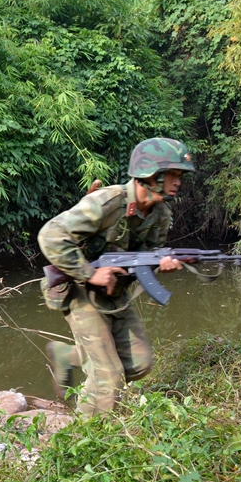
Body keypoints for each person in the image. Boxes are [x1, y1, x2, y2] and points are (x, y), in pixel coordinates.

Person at [37, 138, 195, 416]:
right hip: (78, 288)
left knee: (139, 363)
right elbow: (51, 236)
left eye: (180, 176)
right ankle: (86, 434)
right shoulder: (108, 202)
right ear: (150, 174)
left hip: (114, 292)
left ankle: (67, 355)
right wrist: (90, 273)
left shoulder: (160, 214)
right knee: (108, 377)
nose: (178, 182)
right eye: (173, 174)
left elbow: (143, 259)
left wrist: (161, 263)